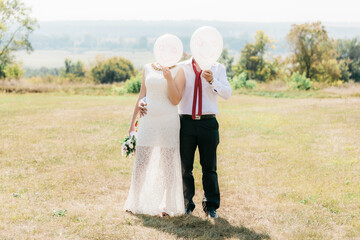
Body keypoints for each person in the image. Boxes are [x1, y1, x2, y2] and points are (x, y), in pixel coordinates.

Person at [140, 56, 231, 218]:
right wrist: (145, 101)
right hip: (185, 122)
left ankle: (211, 206)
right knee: (184, 167)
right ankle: (186, 203)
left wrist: (212, 81)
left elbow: (227, 94)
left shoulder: (218, 68)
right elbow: (164, 90)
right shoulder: (181, 67)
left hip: (208, 122)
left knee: (210, 167)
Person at [124, 60, 186, 217]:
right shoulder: (147, 67)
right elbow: (141, 95)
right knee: (141, 162)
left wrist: (169, 78)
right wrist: (133, 123)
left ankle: (168, 205)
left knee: (168, 164)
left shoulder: (180, 69)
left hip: (168, 121)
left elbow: (176, 100)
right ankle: (135, 202)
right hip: (148, 120)